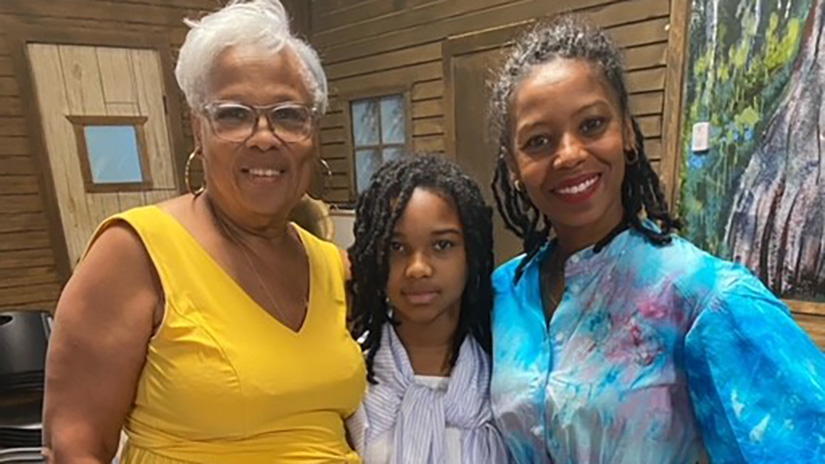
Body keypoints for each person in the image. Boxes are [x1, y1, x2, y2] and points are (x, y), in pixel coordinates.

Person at [488, 15, 825, 464]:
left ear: (626, 132)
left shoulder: (704, 298)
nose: (568, 154)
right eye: (539, 140)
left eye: (591, 125)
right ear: (513, 166)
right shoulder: (504, 294)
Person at [42, 1, 365, 462]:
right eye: (233, 114)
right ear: (198, 129)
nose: (264, 136)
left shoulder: (330, 263)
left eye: (289, 115)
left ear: (314, 134)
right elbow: (73, 444)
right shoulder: (135, 251)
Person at [346, 155, 508, 463]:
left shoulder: (506, 376)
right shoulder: (349, 377)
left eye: (443, 245)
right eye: (396, 247)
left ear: (471, 253)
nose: (417, 268)